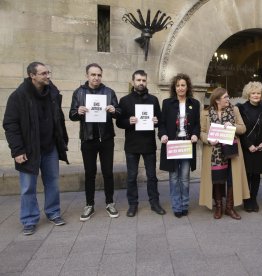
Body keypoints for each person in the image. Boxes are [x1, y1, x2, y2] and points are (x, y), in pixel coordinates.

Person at [3, 62, 69, 235]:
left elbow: (59, 118)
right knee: (27, 187)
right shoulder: (18, 96)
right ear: (32, 75)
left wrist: (63, 140)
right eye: (43, 73)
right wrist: (17, 150)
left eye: (48, 72)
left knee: (53, 183)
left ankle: (53, 213)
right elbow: (10, 124)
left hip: (50, 148)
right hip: (29, 150)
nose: (48, 76)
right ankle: (29, 219)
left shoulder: (52, 93)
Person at [69, 63, 120, 221]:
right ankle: (89, 204)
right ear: (87, 75)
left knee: (108, 172)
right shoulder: (79, 92)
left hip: (106, 139)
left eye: (99, 75)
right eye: (93, 75)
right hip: (88, 139)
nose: (96, 78)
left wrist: (114, 111)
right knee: (89, 173)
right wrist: (78, 112)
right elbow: (71, 115)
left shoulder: (109, 92)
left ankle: (110, 202)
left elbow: (118, 112)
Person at [116, 70, 166, 217]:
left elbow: (159, 120)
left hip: (149, 144)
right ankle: (132, 204)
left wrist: (156, 121)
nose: (141, 83)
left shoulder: (153, 100)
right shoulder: (125, 100)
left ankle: (154, 203)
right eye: (138, 80)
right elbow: (119, 122)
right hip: (131, 145)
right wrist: (128, 122)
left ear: (146, 81)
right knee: (131, 176)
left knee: (152, 176)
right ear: (133, 82)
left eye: (143, 80)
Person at [199, 87, 250, 220]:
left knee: (231, 178)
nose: (228, 99)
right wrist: (209, 140)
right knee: (217, 179)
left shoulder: (234, 110)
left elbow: (243, 128)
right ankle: (219, 207)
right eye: (225, 97)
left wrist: (232, 127)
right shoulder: (205, 113)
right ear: (217, 100)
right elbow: (201, 132)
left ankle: (229, 207)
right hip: (214, 152)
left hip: (232, 152)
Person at [158, 73, 200, 218]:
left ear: (187, 87)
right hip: (173, 144)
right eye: (178, 85)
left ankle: (184, 205)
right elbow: (162, 124)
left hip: (187, 144)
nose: (180, 88)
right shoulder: (167, 103)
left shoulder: (194, 104)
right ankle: (176, 206)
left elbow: (196, 125)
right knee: (174, 177)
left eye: (183, 85)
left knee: (185, 178)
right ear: (174, 88)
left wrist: (196, 134)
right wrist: (162, 135)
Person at [237, 81, 262, 212]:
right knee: (246, 174)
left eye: (258, 93)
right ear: (248, 94)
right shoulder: (241, 108)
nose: (256, 95)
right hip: (246, 148)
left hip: (261, 147)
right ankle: (246, 199)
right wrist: (248, 145)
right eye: (253, 93)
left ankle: (253, 198)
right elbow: (240, 129)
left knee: (256, 175)